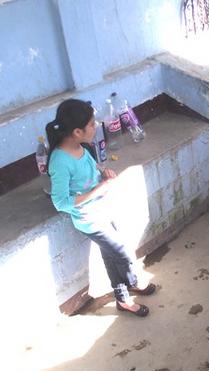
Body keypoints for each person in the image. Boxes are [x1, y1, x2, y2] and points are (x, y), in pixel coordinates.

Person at [46, 99, 155, 317]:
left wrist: (102, 171)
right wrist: (98, 189)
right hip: (89, 220)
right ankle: (133, 281)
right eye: (91, 124)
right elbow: (60, 202)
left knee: (111, 255)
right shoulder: (60, 161)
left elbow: (89, 167)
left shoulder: (80, 147)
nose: (95, 127)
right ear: (77, 131)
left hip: (103, 209)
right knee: (122, 253)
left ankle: (123, 299)